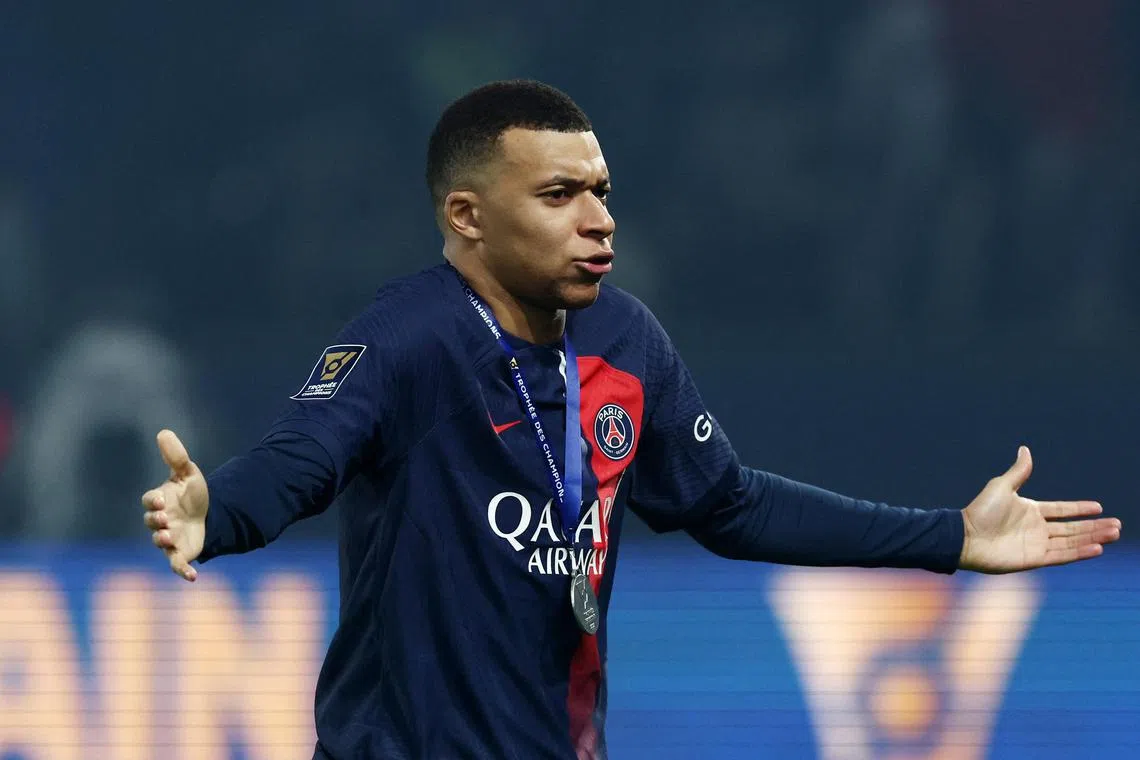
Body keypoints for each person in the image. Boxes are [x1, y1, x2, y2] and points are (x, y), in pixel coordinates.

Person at [140, 80, 1121, 760]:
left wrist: (950, 537)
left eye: (601, 192)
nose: (599, 219)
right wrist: (217, 512)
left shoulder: (625, 340)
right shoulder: (409, 337)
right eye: (559, 195)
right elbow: (302, 454)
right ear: (468, 216)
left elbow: (730, 505)